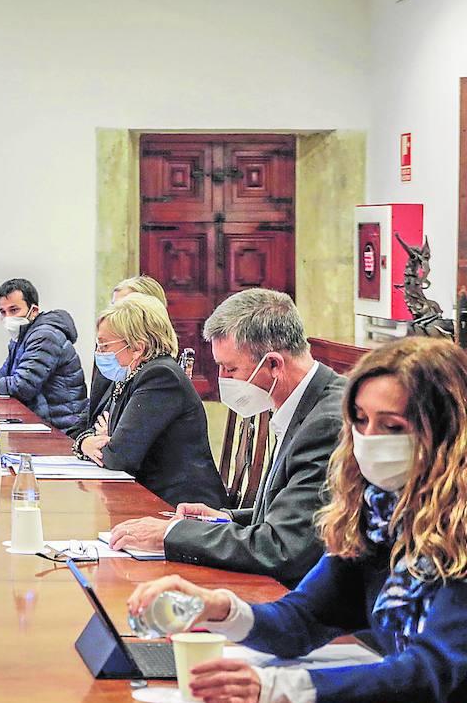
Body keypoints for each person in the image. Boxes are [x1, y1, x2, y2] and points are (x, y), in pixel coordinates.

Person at [127, 337, 467, 703]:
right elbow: (304, 619)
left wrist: (281, 689)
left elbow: (435, 673)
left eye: (393, 427)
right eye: (361, 420)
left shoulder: (457, 525)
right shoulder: (379, 513)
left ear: (446, 431)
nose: (368, 439)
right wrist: (217, 608)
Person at [108, 288, 345, 588]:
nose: (221, 379)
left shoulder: (326, 423)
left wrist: (171, 535)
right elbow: (291, 515)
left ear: (274, 364)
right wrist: (224, 518)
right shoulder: (306, 401)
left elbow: (283, 547)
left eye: (230, 369)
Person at [71, 294, 226, 507]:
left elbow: (119, 457)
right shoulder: (131, 374)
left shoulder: (160, 377)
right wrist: (85, 442)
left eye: (104, 346)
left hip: (181, 505)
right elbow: (99, 432)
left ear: (137, 348)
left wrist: (103, 442)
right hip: (148, 496)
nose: (99, 353)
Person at [0, 278, 88, 433]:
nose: (8, 317)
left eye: (14, 310)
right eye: (3, 312)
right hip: (40, 423)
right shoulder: (23, 336)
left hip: (60, 429)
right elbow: (6, 374)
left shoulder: (45, 336)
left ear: (34, 311)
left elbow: (22, 386)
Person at [82, 275, 169, 435]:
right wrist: (81, 441)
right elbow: (90, 417)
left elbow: (122, 438)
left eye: (124, 308)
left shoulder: (159, 373)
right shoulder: (110, 354)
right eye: (113, 307)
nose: (114, 315)